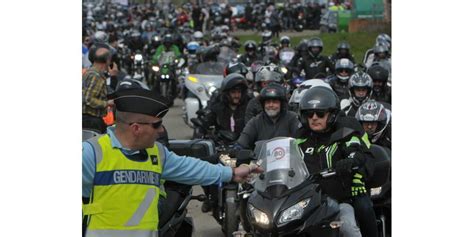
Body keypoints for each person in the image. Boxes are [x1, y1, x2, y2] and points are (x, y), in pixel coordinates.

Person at [82, 88, 262, 237]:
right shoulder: (92, 154)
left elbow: (190, 168)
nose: (161, 130)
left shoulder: (157, 153)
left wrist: (232, 173)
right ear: (136, 128)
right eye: (156, 125)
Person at [296, 86, 378, 237]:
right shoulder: (299, 138)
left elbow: (356, 152)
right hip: (306, 203)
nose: (314, 117)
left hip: (340, 198)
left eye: (320, 114)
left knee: (349, 228)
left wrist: (350, 162)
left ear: (332, 115)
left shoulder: (344, 131)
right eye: (309, 114)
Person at [237, 83, 301, 150]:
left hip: (288, 159)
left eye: (275, 102)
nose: (271, 105)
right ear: (263, 104)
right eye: (268, 102)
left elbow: (302, 138)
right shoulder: (255, 122)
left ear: (281, 104)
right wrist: (237, 149)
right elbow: (242, 141)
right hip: (261, 160)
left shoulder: (292, 118)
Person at [82, 43, 118, 133]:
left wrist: (113, 76)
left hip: (91, 120)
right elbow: (89, 99)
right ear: (107, 61)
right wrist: (107, 103)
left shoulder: (93, 73)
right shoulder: (95, 76)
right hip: (90, 121)